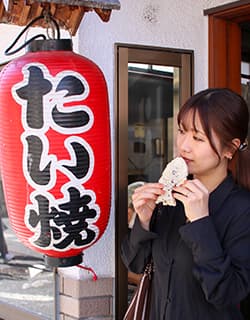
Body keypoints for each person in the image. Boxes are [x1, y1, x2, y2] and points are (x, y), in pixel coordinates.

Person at [121, 88, 250, 320]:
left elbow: (226, 293)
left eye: (198, 138)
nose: (184, 146)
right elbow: (135, 264)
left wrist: (201, 223)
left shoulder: (242, 210)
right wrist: (143, 220)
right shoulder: (170, 198)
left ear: (230, 148)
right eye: (182, 131)